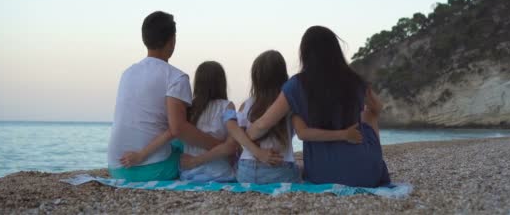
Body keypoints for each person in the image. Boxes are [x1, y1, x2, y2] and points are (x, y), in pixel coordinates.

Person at [182, 50, 362, 184]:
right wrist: (343, 134)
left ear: (256, 77)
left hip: (244, 172)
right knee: (302, 171)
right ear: (283, 75)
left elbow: (234, 130)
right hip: (279, 172)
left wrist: (257, 153)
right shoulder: (290, 104)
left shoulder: (246, 104)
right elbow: (304, 134)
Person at [247, 26, 391, 187]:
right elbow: (377, 108)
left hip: (322, 173)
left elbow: (263, 124)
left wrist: (247, 135)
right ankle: (370, 161)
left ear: (304, 53)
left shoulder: (296, 85)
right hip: (367, 174)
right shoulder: (355, 81)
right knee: (369, 115)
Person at [107, 11, 221, 181]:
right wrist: (218, 146)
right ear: (172, 40)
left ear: (145, 39)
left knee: (176, 138)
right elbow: (178, 128)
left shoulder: (128, 73)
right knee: (188, 143)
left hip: (116, 167)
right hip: (150, 171)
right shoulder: (176, 77)